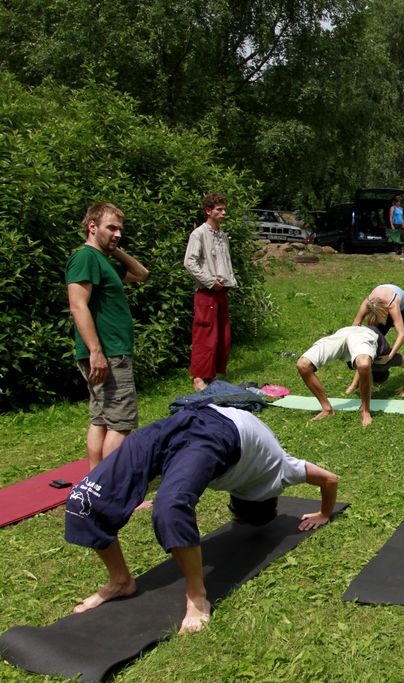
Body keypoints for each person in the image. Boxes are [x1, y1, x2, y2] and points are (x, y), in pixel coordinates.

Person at [64, 404, 339, 633]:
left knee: (101, 499)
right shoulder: (282, 470)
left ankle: (197, 597)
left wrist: (325, 512)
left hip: (193, 423)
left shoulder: (269, 477)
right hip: (215, 425)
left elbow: (329, 479)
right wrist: (324, 513)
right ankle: (120, 580)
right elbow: (329, 478)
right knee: (89, 500)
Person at [66, 203, 150, 469]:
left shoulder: (102, 260)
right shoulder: (85, 258)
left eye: (120, 230)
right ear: (92, 227)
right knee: (121, 423)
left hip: (109, 352)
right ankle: (111, 490)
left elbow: (141, 273)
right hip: (108, 353)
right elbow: (77, 304)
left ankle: (95, 484)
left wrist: (113, 247)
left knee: (100, 420)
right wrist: (96, 351)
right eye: (111, 228)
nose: (117, 234)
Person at [296, 306, 404, 427]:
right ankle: (327, 409)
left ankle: (365, 411)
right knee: (304, 365)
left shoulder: (365, 362)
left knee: (362, 365)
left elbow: (362, 369)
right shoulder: (387, 360)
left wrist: (353, 386)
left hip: (348, 331)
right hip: (361, 333)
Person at [184, 192, 236, 392]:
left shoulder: (222, 236)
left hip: (222, 290)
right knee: (205, 334)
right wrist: (209, 281)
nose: (223, 213)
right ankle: (198, 377)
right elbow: (190, 262)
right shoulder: (199, 233)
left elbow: (225, 262)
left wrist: (227, 282)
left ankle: (212, 374)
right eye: (219, 209)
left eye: (224, 209)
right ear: (208, 211)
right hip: (206, 292)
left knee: (222, 334)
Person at [353, 284, 404, 396]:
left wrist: (389, 357)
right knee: (370, 341)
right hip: (383, 306)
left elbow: (402, 335)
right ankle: (355, 384)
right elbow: (355, 326)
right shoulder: (368, 303)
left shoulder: (392, 305)